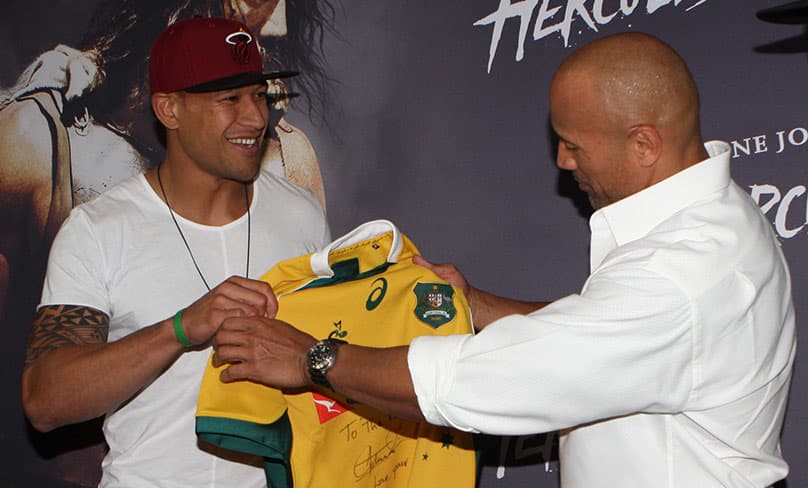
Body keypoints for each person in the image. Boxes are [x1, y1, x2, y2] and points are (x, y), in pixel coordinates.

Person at [209, 32, 797, 487]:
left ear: (644, 144)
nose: (563, 161)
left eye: (574, 144)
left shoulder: (681, 276)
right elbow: (604, 329)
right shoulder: (714, 221)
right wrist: (477, 305)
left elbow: (475, 380)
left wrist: (313, 357)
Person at [2, 1, 332, 485]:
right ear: (169, 108)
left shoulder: (300, 213)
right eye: (229, 98)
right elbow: (45, 402)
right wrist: (180, 329)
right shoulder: (99, 228)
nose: (254, 117)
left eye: (258, 95)